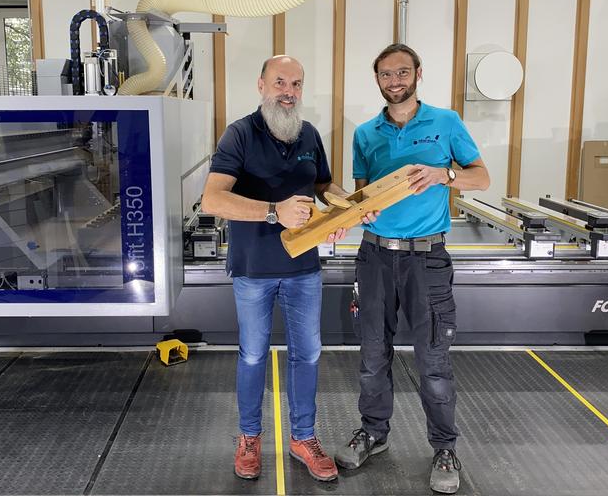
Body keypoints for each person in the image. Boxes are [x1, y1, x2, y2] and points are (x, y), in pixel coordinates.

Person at [202, 55, 373, 483]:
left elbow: (323, 185)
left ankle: (303, 437)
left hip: (303, 268)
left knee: (308, 353)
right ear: (261, 85)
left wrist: (347, 208)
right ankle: (249, 438)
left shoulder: (308, 134)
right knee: (253, 354)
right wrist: (273, 211)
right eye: (280, 82)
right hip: (253, 269)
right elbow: (213, 200)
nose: (289, 92)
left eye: (296, 84)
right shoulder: (240, 134)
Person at [334, 43, 490, 494]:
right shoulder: (366, 133)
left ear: (418, 74)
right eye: (386, 74)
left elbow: (482, 177)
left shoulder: (446, 122)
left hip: (427, 259)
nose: (394, 81)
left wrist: (446, 175)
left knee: (433, 360)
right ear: (377, 79)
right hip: (375, 257)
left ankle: (444, 447)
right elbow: (361, 196)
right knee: (372, 355)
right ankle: (374, 433)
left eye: (402, 72)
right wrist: (350, 212)